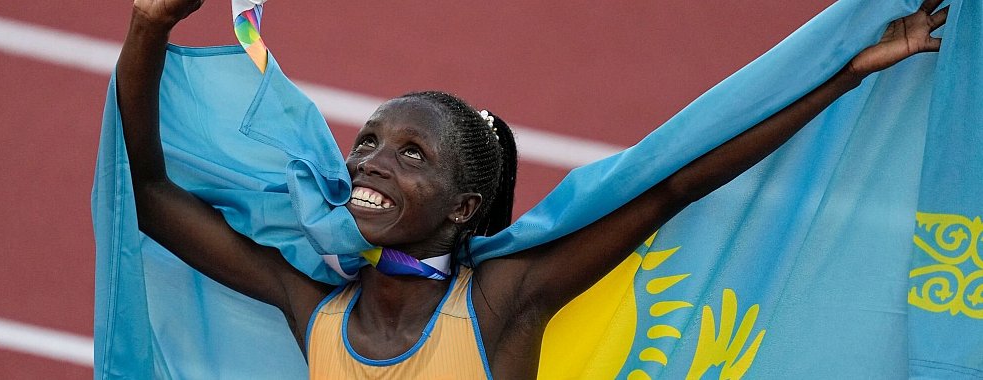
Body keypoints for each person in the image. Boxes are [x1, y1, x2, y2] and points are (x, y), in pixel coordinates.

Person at [115, 0, 948, 378]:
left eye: (411, 154)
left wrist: (843, 75)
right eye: (367, 142)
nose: (370, 160)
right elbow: (151, 198)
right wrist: (148, 25)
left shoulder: (501, 304)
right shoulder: (317, 312)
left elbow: (673, 188)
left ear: (463, 207)